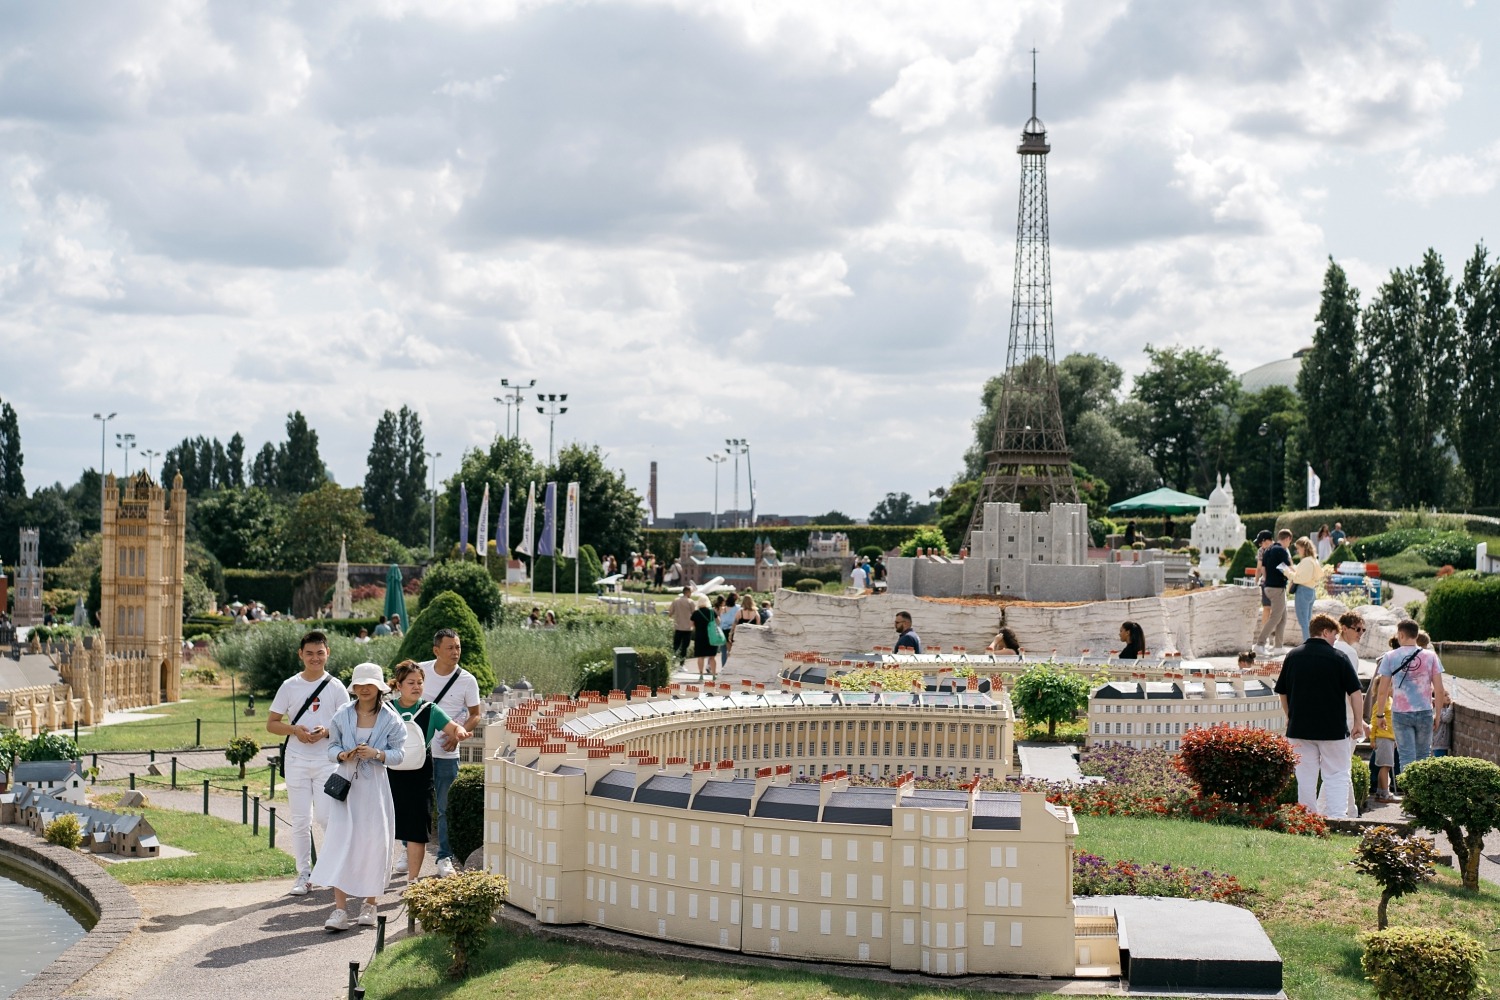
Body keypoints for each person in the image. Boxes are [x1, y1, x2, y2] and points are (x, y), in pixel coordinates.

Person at [313, 661, 408, 931]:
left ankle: (370, 903)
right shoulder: (342, 714)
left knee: (373, 842)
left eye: (370, 685)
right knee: (340, 840)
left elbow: (399, 754)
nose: (364, 689)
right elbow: (331, 747)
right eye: (359, 685)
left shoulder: (391, 718)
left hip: (375, 789)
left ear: (379, 688)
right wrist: (343, 754)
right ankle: (339, 910)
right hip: (346, 787)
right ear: (354, 688)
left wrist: (377, 754)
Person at [267, 630, 350, 896]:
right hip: (297, 760)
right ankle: (303, 874)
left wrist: (326, 732)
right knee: (301, 820)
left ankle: (328, 869)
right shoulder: (290, 686)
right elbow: (272, 724)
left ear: (328, 653)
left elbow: (347, 725)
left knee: (327, 818)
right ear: (301, 655)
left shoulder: (337, 687)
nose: (315, 658)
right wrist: (295, 730)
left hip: (327, 761)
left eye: (320, 653)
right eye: (310, 653)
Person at [1274, 613, 1365, 819]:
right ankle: (1337, 819)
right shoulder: (1339, 658)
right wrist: (1358, 722)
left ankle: (1307, 820)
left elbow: (1282, 691)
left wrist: (1290, 716)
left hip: (1299, 729)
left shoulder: (1292, 656)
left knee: (1305, 778)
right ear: (1325, 632)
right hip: (1332, 729)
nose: (1335, 640)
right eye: (1334, 635)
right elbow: (1355, 693)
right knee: (1337, 775)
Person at [387, 660, 469, 881]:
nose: (416, 687)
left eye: (420, 682)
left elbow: (452, 726)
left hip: (420, 775)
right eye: (411, 682)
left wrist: (459, 732)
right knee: (384, 827)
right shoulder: (386, 709)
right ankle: (377, 880)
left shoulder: (430, 709)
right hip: (389, 773)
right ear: (399, 685)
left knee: (417, 830)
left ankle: (413, 881)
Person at [416, 628, 482, 878]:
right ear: (436, 651)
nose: (456, 652)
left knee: (444, 807)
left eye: (458, 647)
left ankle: (444, 857)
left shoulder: (467, 680)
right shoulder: (419, 672)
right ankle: (406, 848)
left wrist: (459, 734)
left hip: (447, 751)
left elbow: (475, 714)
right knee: (415, 804)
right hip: (416, 751)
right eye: (450, 648)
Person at [1373, 620, 1446, 768]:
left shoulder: (1390, 656)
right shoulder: (1430, 656)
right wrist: (1438, 715)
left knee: (1406, 757)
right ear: (1416, 635)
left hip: (1400, 713)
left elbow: (1382, 691)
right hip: (1424, 711)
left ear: (1401, 634)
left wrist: (1380, 715)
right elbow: (1439, 690)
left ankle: (1408, 791)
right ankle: (1420, 790)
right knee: (1424, 756)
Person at [1253, 530, 1293, 653]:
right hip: (1277, 588)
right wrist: (1296, 576)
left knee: (1283, 617)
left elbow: (1263, 569)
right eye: (1289, 542)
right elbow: (1287, 569)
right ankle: (1260, 644)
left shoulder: (1267, 551)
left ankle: (1278, 646)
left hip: (1268, 586)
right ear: (1287, 539)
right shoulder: (1281, 551)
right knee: (1275, 617)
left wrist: (1267, 580)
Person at [1368, 680, 1399, 803]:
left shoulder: (1390, 701)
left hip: (1390, 737)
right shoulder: (1380, 704)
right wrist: (1372, 738)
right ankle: (1385, 793)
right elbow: (1374, 722)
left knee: (1387, 765)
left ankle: (1381, 792)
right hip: (1383, 737)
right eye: (1390, 685)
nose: (1392, 687)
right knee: (1385, 766)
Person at [1288, 536, 1322, 643]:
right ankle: (1310, 644)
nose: (1297, 551)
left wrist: (1287, 573)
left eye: (1298, 548)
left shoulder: (1306, 561)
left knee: (1304, 622)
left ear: (1304, 548)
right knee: (1307, 621)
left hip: (1303, 591)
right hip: (1311, 591)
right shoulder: (1313, 560)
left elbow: (1300, 578)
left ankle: (1308, 646)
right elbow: (1318, 576)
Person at [690, 595, 718, 679]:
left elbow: (692, 625)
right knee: (712, 657)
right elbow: (718, 621)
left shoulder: (696, 613)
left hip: (700, 636)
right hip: (711, 636)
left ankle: (701, 675)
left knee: (700, 656)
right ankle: (713, 675)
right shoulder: (711, 612)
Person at [669, 586, 695, 662]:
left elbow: (670, 613)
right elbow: (694, 615)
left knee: (676, 646)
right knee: (684, 647)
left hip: (677, 627)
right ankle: (681, 664)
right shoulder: (691, 602)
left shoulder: (676, 601)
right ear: (688, 592)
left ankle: (673, 662)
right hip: (687, 628)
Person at [717, 594, 738, 668]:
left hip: (723, 630)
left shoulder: (723, 609)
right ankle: (731, 667)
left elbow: (721, 620)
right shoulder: (737, 608)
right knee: (731, 651)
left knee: (723, 651)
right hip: (732, 630)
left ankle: (723, 667)